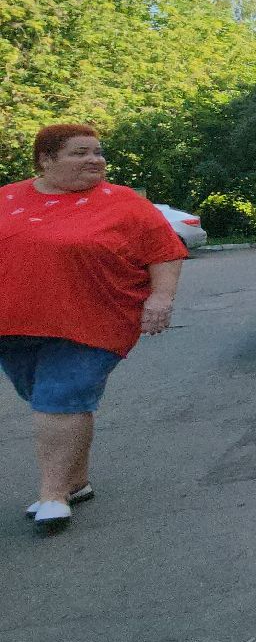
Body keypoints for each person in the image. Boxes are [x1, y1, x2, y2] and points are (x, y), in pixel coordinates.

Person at [1, 124, 186, 533]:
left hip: (96, 319)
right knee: (57, 399)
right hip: (14, 323)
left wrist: (161, 299)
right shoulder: (6, 198)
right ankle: (77, 482)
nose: (95, 160)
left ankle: (52, 496)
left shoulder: (124, 203)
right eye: (80, 153)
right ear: (45, 160)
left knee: (59, 396)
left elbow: (165, 252)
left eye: (98, 153)